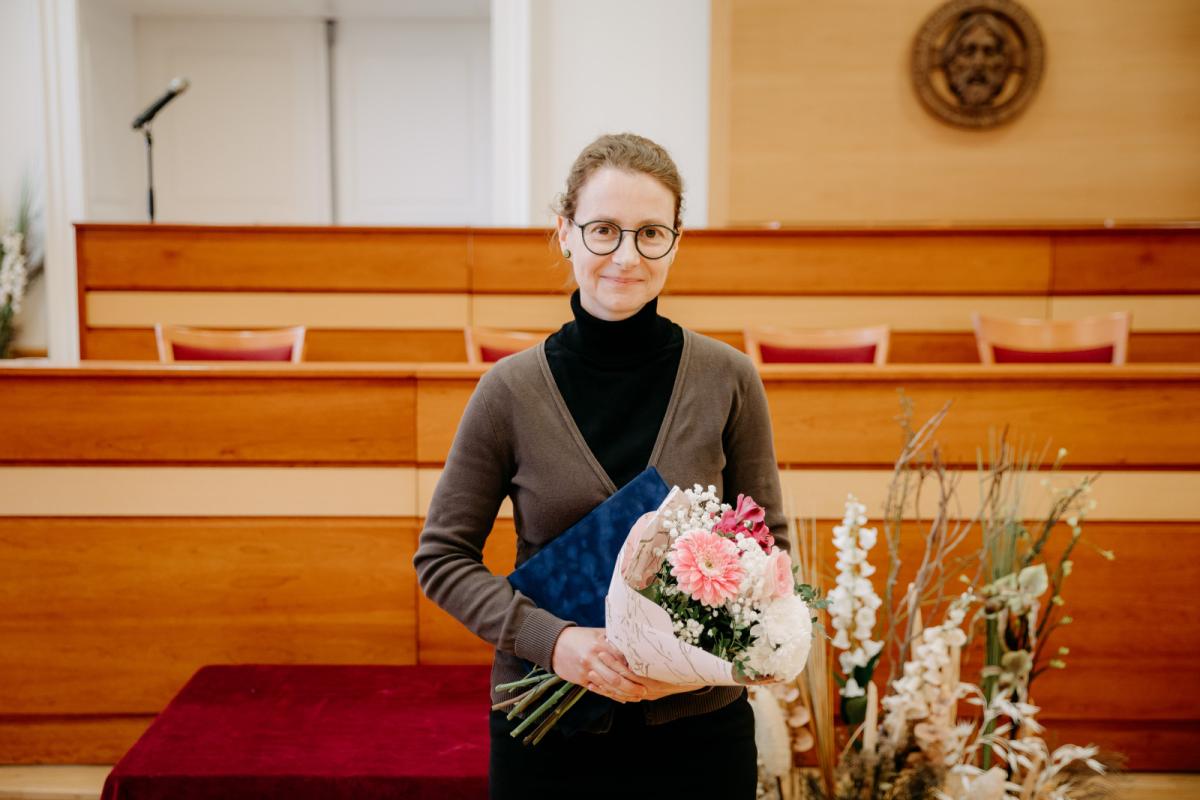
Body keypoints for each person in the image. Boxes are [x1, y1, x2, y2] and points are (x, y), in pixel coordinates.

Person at [413, 132, 788, 799]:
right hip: (549, 732)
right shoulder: (508, 391)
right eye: (604, 230)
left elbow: (770, 549)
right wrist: (555, 642)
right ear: (565, 233)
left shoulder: (729, 379)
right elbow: (442, 559)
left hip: (698, 734)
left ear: (676, 241)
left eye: (651, 233)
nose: (627, 255)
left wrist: (698, 659)